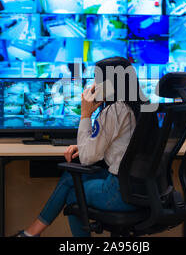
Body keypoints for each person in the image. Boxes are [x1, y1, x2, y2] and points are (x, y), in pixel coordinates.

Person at [14, 56, 146, 237]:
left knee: (74, 196)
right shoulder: (138, 107)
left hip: (118, 193)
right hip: (140, 189)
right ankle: (30, 233)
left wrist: (85, 113)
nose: (94, 85)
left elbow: (86, 158)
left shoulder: (114, 111)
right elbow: (118, 145)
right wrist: (84, 144)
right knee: (71, 176)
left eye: (97, 79)